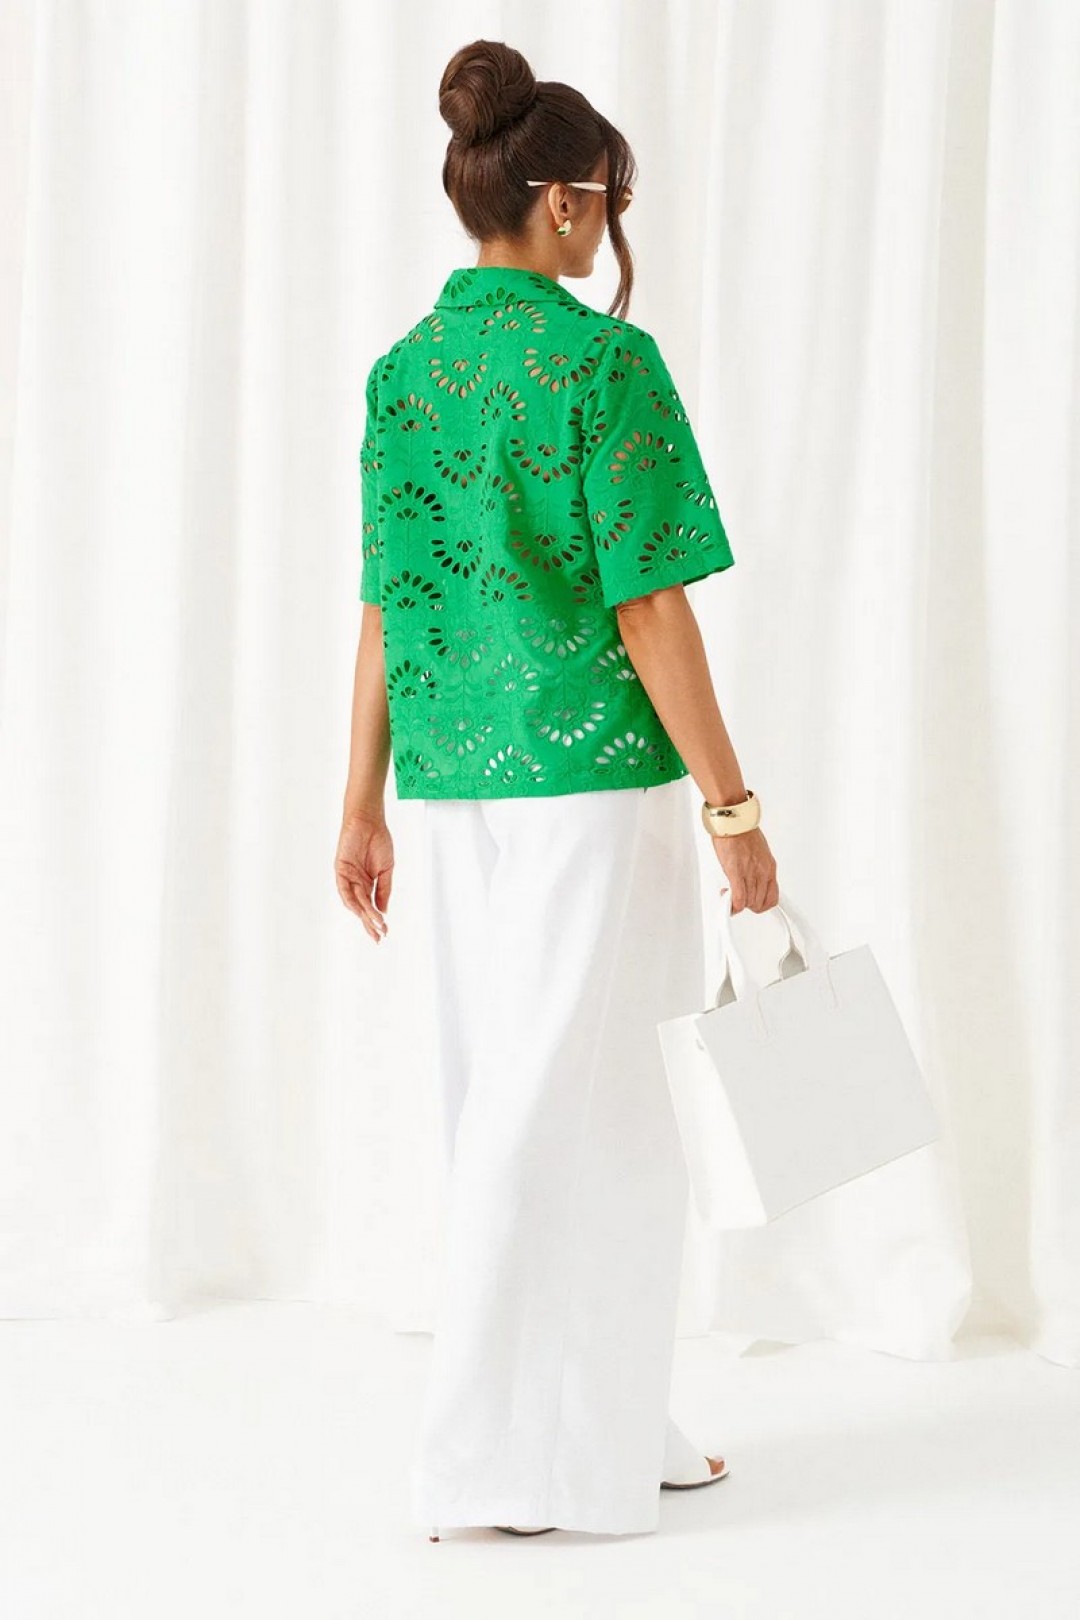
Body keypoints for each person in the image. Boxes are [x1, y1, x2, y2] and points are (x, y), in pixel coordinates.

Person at [334, 38, 779, 1542]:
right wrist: (733, 806)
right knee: (566, 1111)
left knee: (534, 1100)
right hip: (590, 784)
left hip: (451, 782)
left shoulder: (403, 377)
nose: (612, 229)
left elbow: (387, 603)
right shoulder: (603, 366)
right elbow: (650, 607)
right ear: (567, 202)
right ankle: (481, 1450)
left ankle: (609, 1419)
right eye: (610, 201)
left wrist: (359, 802)